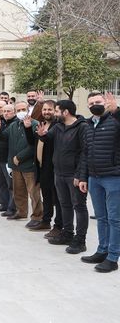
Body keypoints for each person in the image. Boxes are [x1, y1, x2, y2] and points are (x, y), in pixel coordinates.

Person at [36, 99, 88, 253]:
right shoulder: (58, 127)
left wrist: (80, 175)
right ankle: (67, 233)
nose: (55, 114)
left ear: (66, 112)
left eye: (57, 111)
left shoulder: (82, 127)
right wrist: (42, 135)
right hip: (58, 173)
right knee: (64, 205)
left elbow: (85, 153)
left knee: (79, 206)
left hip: (74, 175)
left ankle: (80, 240)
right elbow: (48, 138)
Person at [78, 92, 120, 272]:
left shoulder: (115, 121)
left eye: (98, 102)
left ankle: (113, 257)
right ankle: (102, 250)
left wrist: (116, 110)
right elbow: (85, 153)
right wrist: (82, 176)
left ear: (106, 103)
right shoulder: (88, 124)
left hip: (113, 177)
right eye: (92, 103)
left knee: (114, 219)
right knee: (101, 218)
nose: (95, 105)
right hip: (94, 178)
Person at [0, 102, 42, 225]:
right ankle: (21, 212)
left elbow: (34, 145)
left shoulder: (35, 124)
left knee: (33, 193)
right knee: (18, 191)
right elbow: (3, 138)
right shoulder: (14, 125)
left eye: (23, 109)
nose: (21, 111)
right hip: (15, 165)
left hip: (29, 165)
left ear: (28, 110)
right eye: (18, 109)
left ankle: (37, 217)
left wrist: (20, 157)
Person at [25, 100, 61, 232]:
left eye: (50, 110)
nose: (46, 112)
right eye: (44, 109)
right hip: (41, 167)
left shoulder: (58, 126)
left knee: (57, 198)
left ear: (55, 110)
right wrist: (28, 128)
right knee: (46, 196)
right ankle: (46, 221)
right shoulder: (42, 124)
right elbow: (32, 143)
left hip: (53, 167)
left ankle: (59, 225)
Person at [0, 103, 16, 216]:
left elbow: (5, 138)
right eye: (4, 111)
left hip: (8, 159)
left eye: (8, 111)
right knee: (1, 184)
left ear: (14, 112)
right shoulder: (1, 122)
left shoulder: (15, 123)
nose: (5, 113)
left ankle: (12, 208)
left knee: (11, 185)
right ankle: (4, 204)